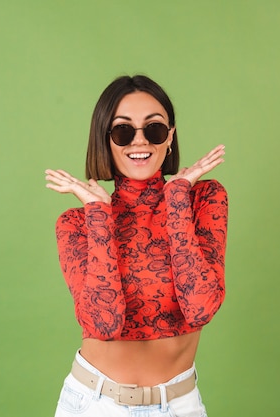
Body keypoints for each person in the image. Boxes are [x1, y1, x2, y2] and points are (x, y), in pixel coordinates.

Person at [45, 74, 228, 417]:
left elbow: (201, 307)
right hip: (93, 404)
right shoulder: (76, 224)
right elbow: (103, 324)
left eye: (154, 129)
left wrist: (176, 197)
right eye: (123, 131)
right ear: (106, 140)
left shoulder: (204, 200)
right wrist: (98, 215)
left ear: (170, 137)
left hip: (180, 405)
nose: (139, 141)